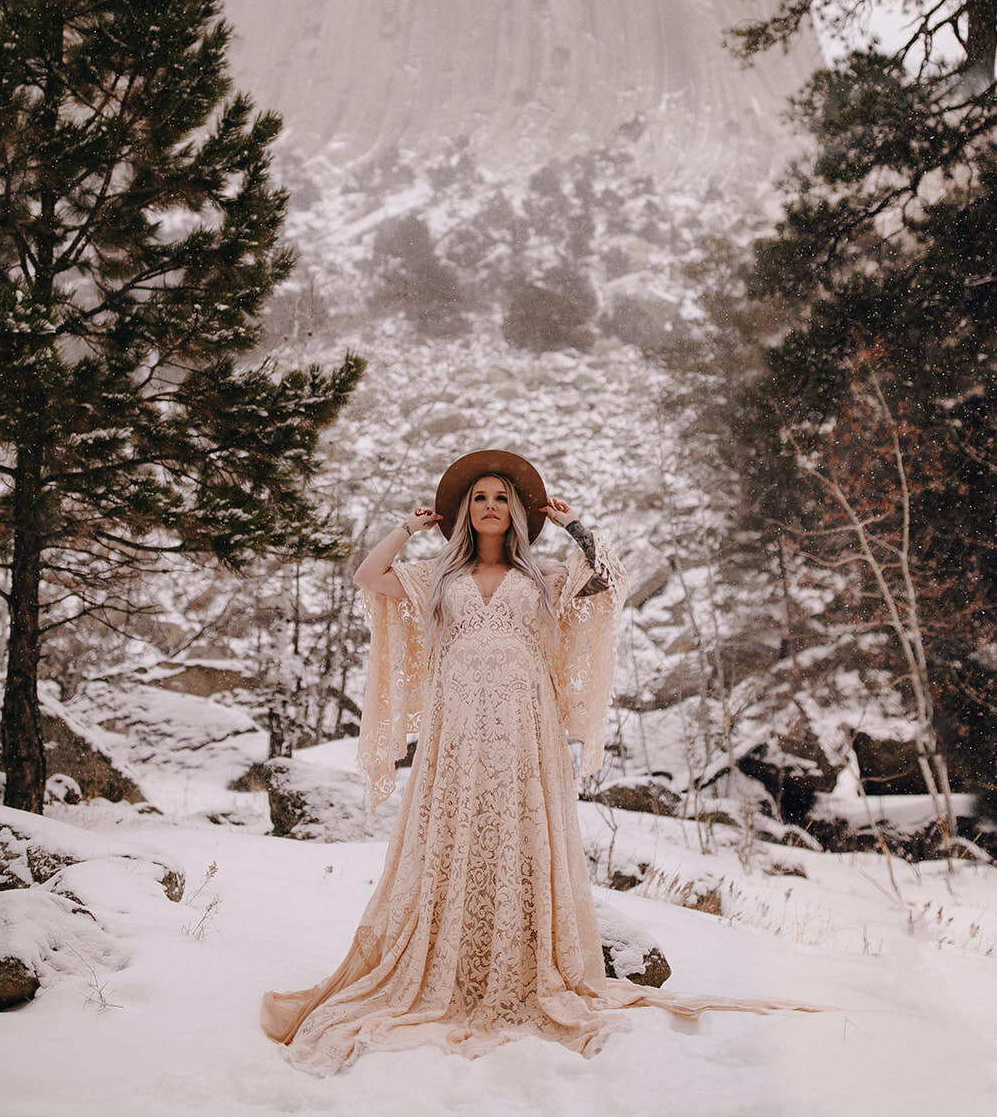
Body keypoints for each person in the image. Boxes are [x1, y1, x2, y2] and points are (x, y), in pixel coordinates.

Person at [261, 448, 821, 1074]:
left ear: (517, 511)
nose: (491, 507)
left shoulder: (545, 574)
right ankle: (446, 963)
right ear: (465, 512)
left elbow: (610, 580)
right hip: (457, 726)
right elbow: (368, 576)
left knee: (522, 833)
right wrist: (412, 526)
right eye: (479, 498)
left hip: (528, 725)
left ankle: (522, 966)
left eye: (501, 498)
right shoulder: (437, 576)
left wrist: (576, 526)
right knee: (455, 832)